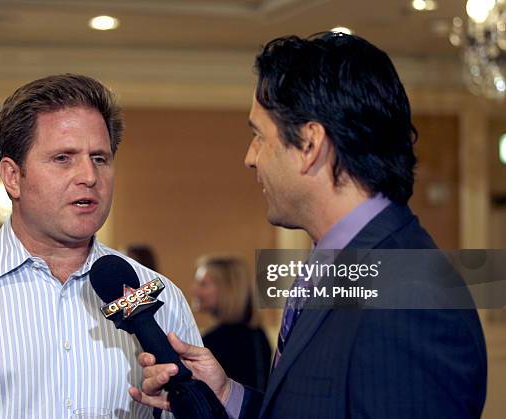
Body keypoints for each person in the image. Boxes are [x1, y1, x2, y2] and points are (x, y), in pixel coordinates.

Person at [130, 33, 487, 418]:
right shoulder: (342, 265)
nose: (250, 158)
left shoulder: (410, 302)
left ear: (309, 145)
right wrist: (225, 393)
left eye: (258, 136)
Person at [0, 74, 202, 418]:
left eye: (100, 158)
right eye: (63, 158)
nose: (89, 175)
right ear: (12, 177)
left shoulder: (163, 300)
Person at [193, 255, 271, 391]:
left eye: (203, 284)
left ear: (227, 289)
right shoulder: (257, 334)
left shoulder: (216, 341)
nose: (194, 289)